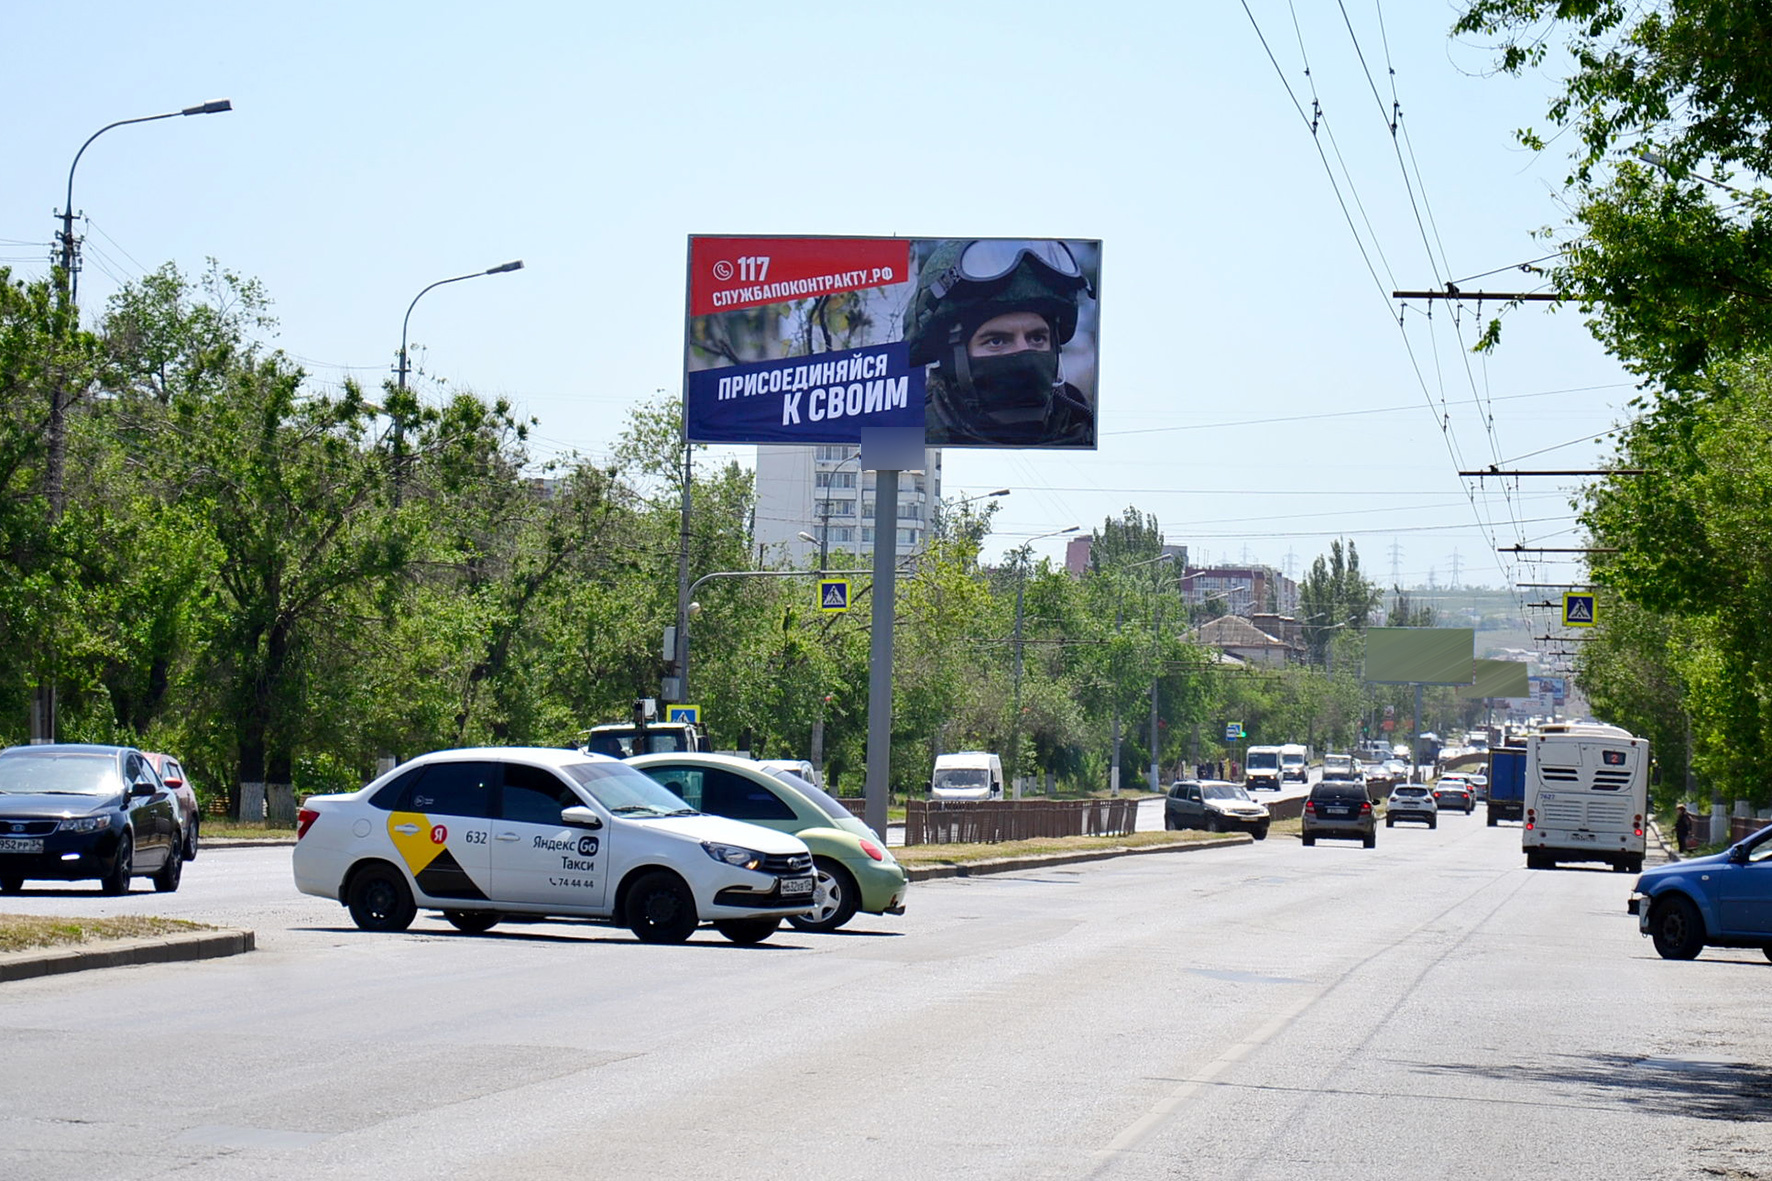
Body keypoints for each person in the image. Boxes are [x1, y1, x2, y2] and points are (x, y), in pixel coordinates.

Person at [903, 239, 1095, 447]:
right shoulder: (899, 438)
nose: (1024, 352)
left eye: (1037, 338)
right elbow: (876, 478)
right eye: (997, 340)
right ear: (952, 356)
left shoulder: (1090, 430)